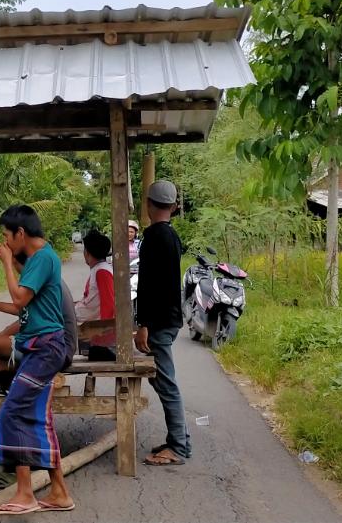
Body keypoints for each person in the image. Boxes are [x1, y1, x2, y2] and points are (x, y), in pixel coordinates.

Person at [0, 205, 73, 515]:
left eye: (6, 236)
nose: (4, 243)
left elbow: (20, 298)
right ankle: (59, 492)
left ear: (21, 233)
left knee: (12, 413)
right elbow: (25, 308)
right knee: (39, 417)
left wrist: (5, 264)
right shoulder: (38, 259)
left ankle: (26, 493)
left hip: (46, 348)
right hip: (40, 346)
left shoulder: (42, 258)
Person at [135, 179, 190, 467]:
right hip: (168, 317)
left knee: (165, 382)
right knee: (160, 378)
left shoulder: (155, 237)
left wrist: (143, 323)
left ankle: (178, 447)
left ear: (149, 205)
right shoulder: (171, 236)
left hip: (159, 321)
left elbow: (149, 286)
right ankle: (179, 440)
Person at [76, 230, 117, 362]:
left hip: (100, 334)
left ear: (87, 253)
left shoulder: (102, 272)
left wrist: (103, 335)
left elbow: (108, 304)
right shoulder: (99, 269)